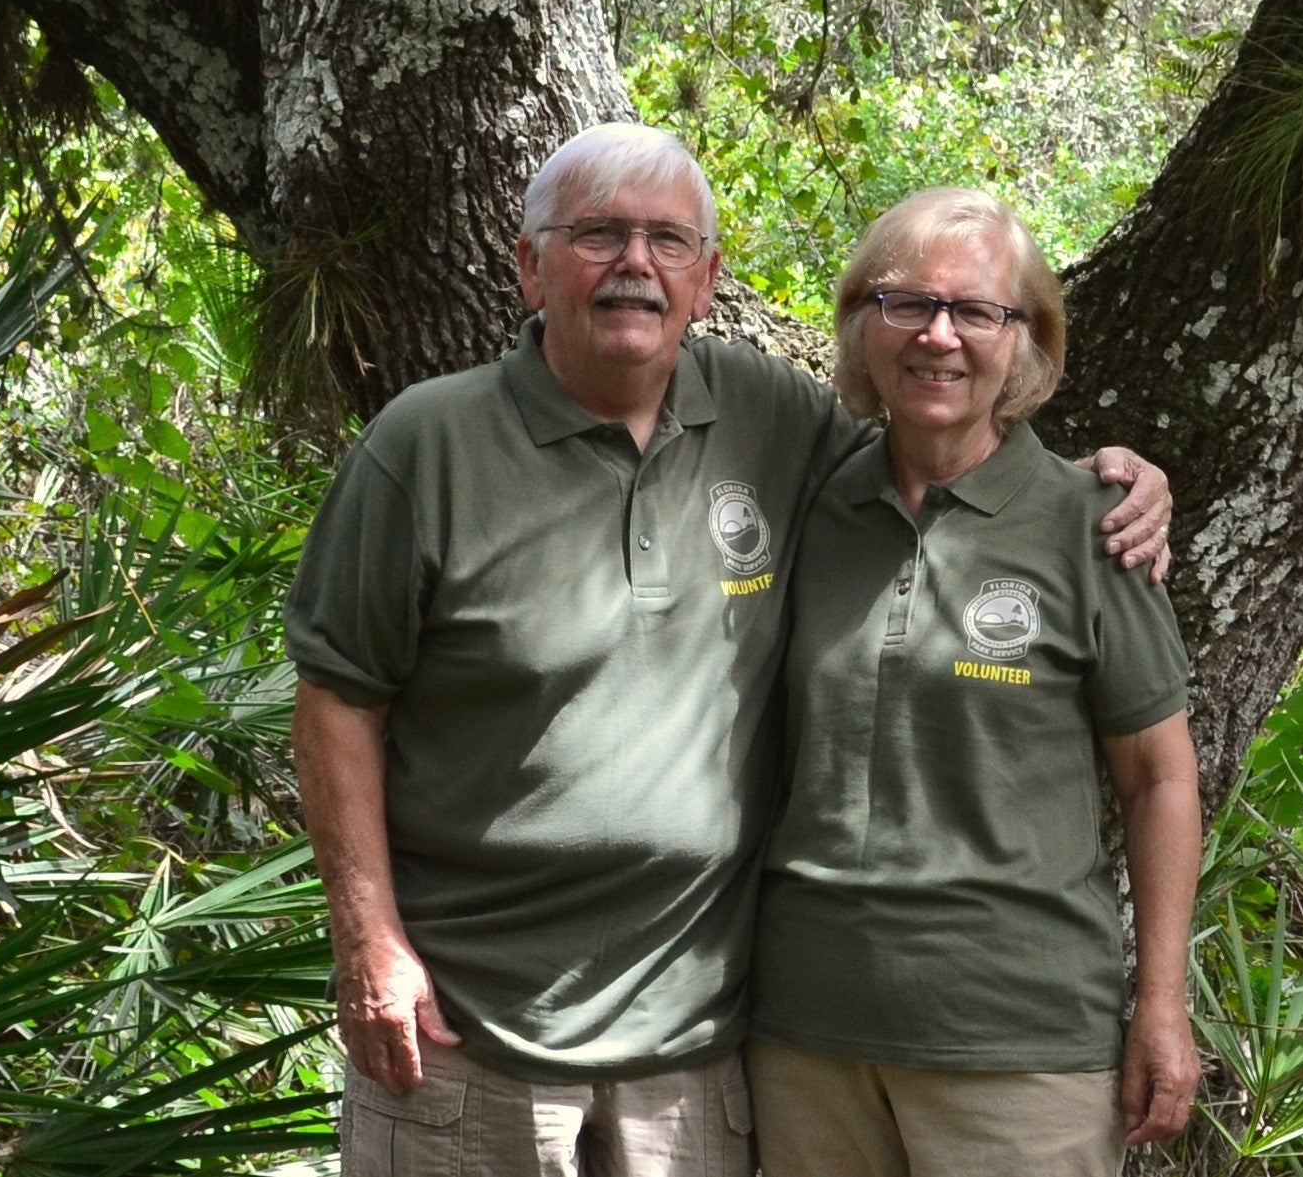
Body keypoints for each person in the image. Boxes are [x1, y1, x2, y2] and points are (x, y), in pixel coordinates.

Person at [283, 126, 1175, 1177]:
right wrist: (367, 939)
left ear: (706, 279)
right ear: (528, 263)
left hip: (699, 1056)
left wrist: (1093, 484)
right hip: (472, 1032)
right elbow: (339, 699)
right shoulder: (422, 445)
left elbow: (952, 459)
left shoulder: (768, 419)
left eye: (668, 240)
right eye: (598, 234)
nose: (635, 264)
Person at [749, 187, 1203, 1177]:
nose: (939, 336)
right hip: (803, 1036)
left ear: (1025, 342)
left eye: (978, 311)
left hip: (1018, 1044)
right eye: (906, 303)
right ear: (862, 325)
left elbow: (1160, 779)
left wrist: (1160, 1003)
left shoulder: (1092, 523)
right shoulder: (807, 505)